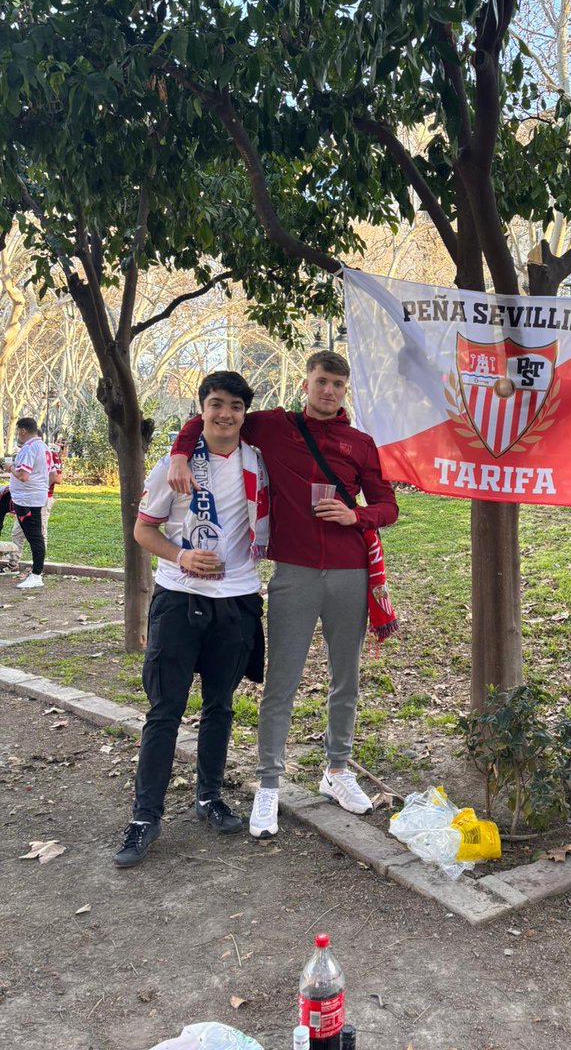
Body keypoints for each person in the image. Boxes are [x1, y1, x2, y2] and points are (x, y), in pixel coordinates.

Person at [167, 350, 399, 835]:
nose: (329, 391)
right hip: (293, 573)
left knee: (346, 679)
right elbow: (208, 417)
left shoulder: (360, 443)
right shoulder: (272, 426)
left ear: (345, 388)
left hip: (349, 572)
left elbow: (387, 505)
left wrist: (356, 516)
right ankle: (268, 785)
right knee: (281, 683)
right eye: (321, 381)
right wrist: (177, 452)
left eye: (338, 383)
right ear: (306, 383)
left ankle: (337, 770)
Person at [113, 371, 269, 868]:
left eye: (235, 407)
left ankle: (209, 797)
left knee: (220, 707)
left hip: (237, 598)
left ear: (246, 413)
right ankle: (145, 817)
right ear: (201, 407)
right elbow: (143, 530)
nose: (225, 414)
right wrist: (181, 557)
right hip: (180, 599)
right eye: (216, 404)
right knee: (165, 710)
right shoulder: (173, 467)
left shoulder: (258, 462)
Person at [0, 417, 49, 590]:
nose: (17, 436)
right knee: (34, 535)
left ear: (22, 431)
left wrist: (10, 468)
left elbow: (23, 476)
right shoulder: (43, 447)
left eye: (17, 432)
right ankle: (36, 573)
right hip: (31, 497)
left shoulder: (29, 448)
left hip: (28, 500)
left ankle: (36, 574)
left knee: (34, 537)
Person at [9, 435, 62, 574]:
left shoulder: (39, 450)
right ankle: (13, 564)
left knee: (39, 534)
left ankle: (38, 570)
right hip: (26, 499)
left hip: (38, 499)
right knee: (17, 532)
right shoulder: (37, 449)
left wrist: (40, 487)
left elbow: (56, 477)